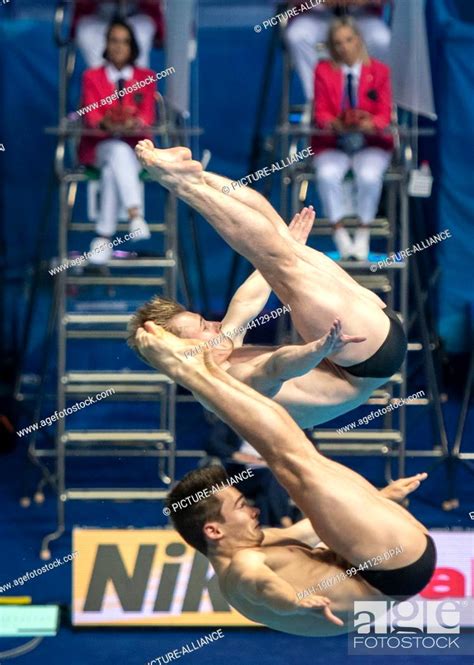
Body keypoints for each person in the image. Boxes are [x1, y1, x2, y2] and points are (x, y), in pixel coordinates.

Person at [134, 323, 435, 636]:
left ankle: (199, 370)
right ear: (213, 530)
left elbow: (305, 532)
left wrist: (380, 499)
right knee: (290, 457)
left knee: (296, 456)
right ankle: (185, 369)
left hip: (393, 567)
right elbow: (265, 587)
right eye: (241, 506)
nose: (254, 511)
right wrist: (293, 602)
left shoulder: (259, 545)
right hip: (388, 571)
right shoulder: (241, 569)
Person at [127, 143, 406, 429]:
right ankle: (178, 182)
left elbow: (247, 302)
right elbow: (276, 368)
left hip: (367, 344)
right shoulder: (224, 383)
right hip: (366, 359)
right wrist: (319, 349)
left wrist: (288, 243)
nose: (215, 326)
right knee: (277, 258)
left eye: (205, 321)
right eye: (203, 328)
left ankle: (194, 176)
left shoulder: (220, 348)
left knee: (279, 241)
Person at [312, 17, 394, 259]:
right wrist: (337, 123)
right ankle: (339, 234)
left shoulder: (379, 71)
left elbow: (384, 114)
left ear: (358, 40)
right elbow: (321, 113)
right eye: (337, 43)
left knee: (369, 176)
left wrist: (370, 123)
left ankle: (363, 232)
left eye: (348, 40)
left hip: (371, 143)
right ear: (331, 46)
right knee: (327, 175)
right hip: (333, 143)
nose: (344, 47)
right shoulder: (323, 71)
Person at [78, 20, 155, 264]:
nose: (119, 47)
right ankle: (135, 215)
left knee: (116, 165)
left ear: (132, 46)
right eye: (114, 40)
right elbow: (91, 117)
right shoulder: (92, 76)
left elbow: (147, 116)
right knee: (116, 151)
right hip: (100, 146)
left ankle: (103, 237)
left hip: (136, 150)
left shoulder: (147, 77)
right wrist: (107, 123)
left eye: (124, 41)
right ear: (106, 44)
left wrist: (133, 122)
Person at [285, 1, 391, 102]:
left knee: (381, 40)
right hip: (315, 13)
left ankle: (371, 100)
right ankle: (318, 100)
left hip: (361, 13)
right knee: (298, 36)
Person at [72, 0, 164, 69]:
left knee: (140, 33)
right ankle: (103, 89)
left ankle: (136, 87)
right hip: (97, 17)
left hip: (136, 15)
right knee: (88, 34)